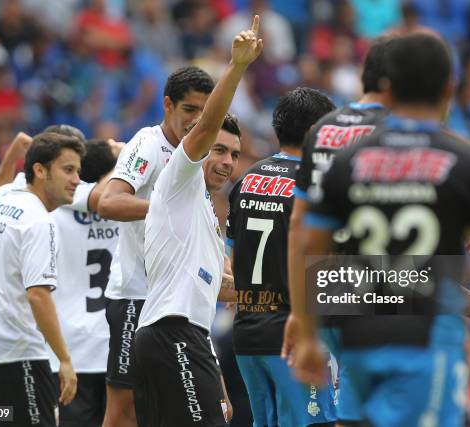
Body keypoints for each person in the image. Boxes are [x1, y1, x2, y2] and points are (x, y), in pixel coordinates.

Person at [292, 33, 470, 427]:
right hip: (426, 336)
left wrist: (305, 331)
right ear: (448, 88)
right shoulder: (466, 161)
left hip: (357, 326)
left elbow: (307, 242)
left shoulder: (348, 158)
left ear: (387, 88)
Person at [133, 16, 262, 427]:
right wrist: (238, 66)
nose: (226, 162)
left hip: (177, 338)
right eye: (218, 150)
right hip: (174, 336)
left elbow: (219, 289)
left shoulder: (204, 211)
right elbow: (206, 125)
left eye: (233, 155)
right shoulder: (179, 177)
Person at [97, 65, 215, 426]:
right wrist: (161, 208)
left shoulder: (195, 157)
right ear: (167, 105)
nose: (196, 120)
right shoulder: (149, 144)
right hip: (135, 295)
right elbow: (108, 202)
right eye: (189, 110)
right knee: (123, 411)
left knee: (162, 409)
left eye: (203, 112)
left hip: (169, 304)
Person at [0, 128, 122, 427]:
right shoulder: (121, 202)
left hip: (68, 347)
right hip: (116, 346)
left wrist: (14, 153)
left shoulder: (48, 200)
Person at [227, 87, 337, 427]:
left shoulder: (246, 180)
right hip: (293, 336)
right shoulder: (312, 186)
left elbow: (232, 257)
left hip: (247, 333)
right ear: (312, 133)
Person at [0, 132, 84, 426]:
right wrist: (64, 359)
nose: (76, 180)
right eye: (68, 170)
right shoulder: (38, 221)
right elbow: (38, 294)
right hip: (15, 358)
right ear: (40, 171)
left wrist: (12, 152)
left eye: (78, 171)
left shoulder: (2, 201)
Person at [283, 36, 394, 364]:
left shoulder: (322, 128)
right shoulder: (393, 130)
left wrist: (299, 311)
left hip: (325, 287)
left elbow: (297, 227)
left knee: (343, 404)